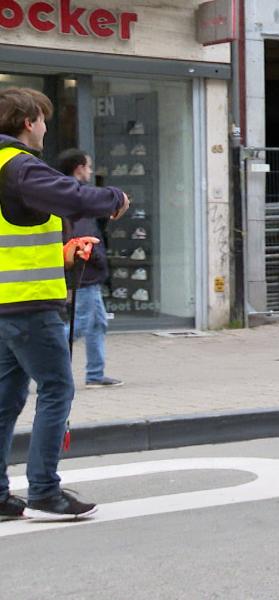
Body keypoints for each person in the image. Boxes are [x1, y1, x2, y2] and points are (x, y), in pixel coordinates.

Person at [0, 87, 129, 519]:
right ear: (28, 121)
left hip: (5, 305)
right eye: (43, 119)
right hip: (30, 306)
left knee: (5, 399)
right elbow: (72, 196)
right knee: (56, 390)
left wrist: (63, 254)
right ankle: (44, 492)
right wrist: (113, 199)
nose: (45, 127)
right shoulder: (19, 166)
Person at [58, 149, 123, 388]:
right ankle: (35, 361)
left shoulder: (64, 191)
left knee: (97, 323)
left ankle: (95, 374)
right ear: (78, 168)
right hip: (85, 274)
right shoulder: (78, 195)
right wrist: (97, 259)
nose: (91, 171)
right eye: (88, 166)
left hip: (87, 275)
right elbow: (82, 236)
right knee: (79, 326)